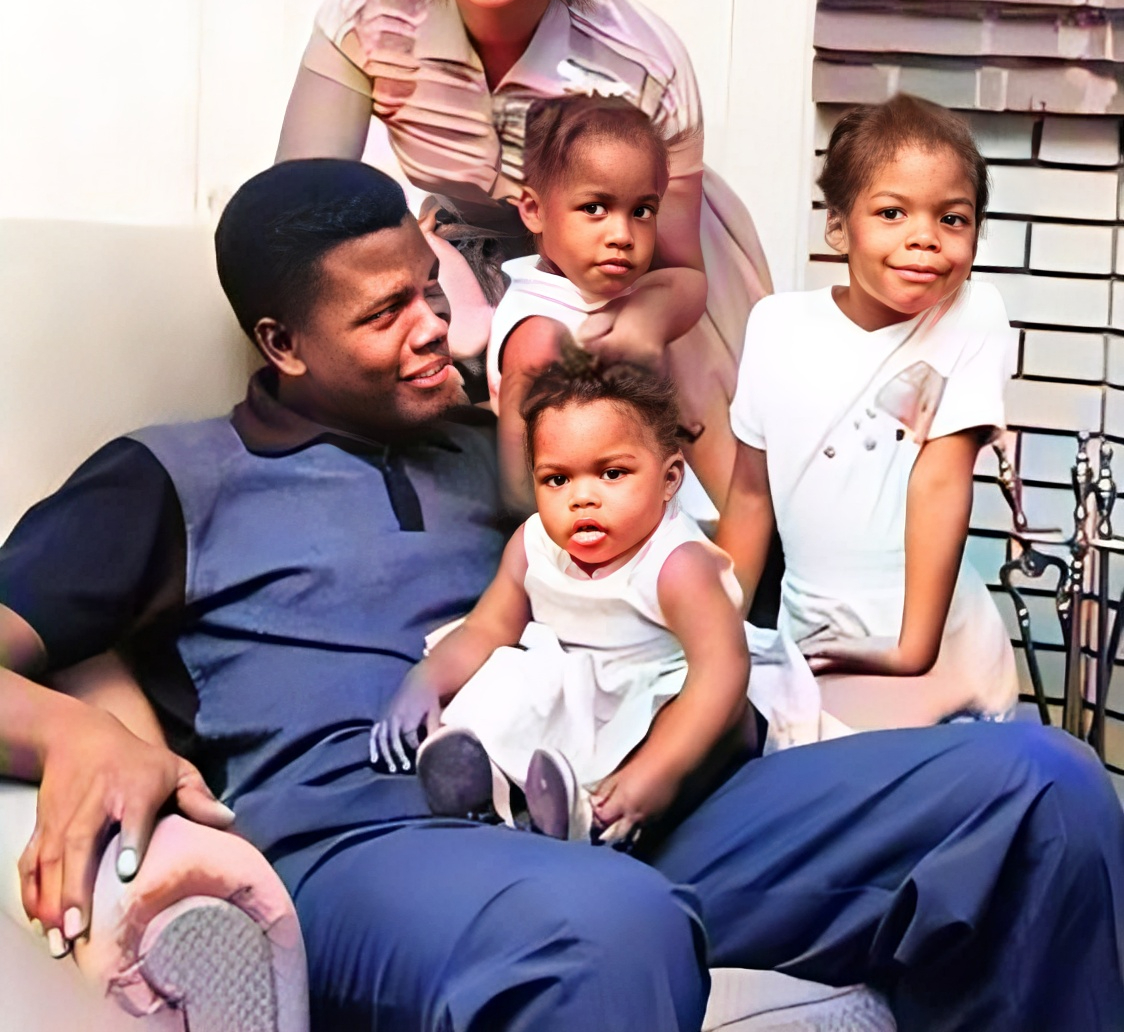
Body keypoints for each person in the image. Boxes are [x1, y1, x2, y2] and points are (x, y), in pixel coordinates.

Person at [1, 158, 1122, 1032]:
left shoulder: (518, 447)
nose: (436, 326)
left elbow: (710, 575)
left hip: (623, 803)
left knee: (1036, 787)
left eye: (429, 289)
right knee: (600, 925)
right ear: (282, 344)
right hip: (376, 852)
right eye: (384, 313)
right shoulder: (174, 476)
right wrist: (80, 734)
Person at [276, 0, 770, 506]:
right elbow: (297, 210)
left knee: (694, 434)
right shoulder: (374, 14)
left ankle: (738, 592)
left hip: (634, 256)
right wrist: (426, 267)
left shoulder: (642, 61)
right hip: (460, 245)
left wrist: (631, 325)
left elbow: (675, 268)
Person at [717, 95, 1019, 732]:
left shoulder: (971, 314)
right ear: (838, 226)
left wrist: (913, 650)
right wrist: (715, 634)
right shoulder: (775, 326)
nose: (924, 239)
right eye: (891, 212)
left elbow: (940, 479)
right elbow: (749, 498)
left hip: (932, 646)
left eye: (953, 219)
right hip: (818, 646)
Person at [372, 348, 754, 846]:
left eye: (612, 473)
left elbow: (721, 672)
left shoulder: (677, 565)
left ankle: (599, 816)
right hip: (582, 689)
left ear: (668, 480)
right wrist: (427, 679)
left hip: (670, 689)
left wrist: (659, 772)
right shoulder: (532, 546)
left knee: (681, 728)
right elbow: (487, 628)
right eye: (557, 479)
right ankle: (485, 778)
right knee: (506, 673)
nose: (582, 497)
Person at [485, 93, 709, 511]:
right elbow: (520, 486)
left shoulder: (603, 292)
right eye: (595, 208)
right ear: (533, 210)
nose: (622, 234)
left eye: (642, 210)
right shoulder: (541, 333)